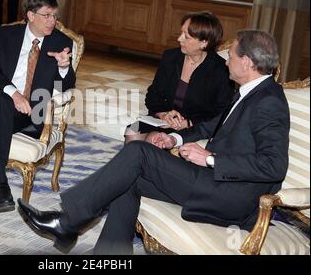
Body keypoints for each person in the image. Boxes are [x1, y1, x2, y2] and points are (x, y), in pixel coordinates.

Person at [17, 30, 290, 254]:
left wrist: (210, 158)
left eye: (230, 56)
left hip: (230, 196)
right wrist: (174, 136)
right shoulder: (248, 92)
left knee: (138, 152)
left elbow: (273, 166)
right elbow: (213, 125)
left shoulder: (268, 102)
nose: (226, 61)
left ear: (247, 62)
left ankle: (66, 222)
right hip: (215, 182)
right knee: (129, 177)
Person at [0, 0, 76, 228]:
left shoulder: (60, 42)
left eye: (55, 15)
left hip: (26, 113)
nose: (52, 21)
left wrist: (64, 68)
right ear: (30, 15)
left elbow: (65, 88)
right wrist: (14, 93)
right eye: (46, 16)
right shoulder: (5, 34)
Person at [125, 12, 234, 144]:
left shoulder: (221, 70)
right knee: (131, 132)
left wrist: (187, 122)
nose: (179, 39)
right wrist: (163, 114)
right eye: (181, 33)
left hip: (194, 126)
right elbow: (153, 94)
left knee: (152, 140)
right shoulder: (171, 57)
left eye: (186, 37)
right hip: (163, 119)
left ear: (204, 42)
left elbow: (222, 112)